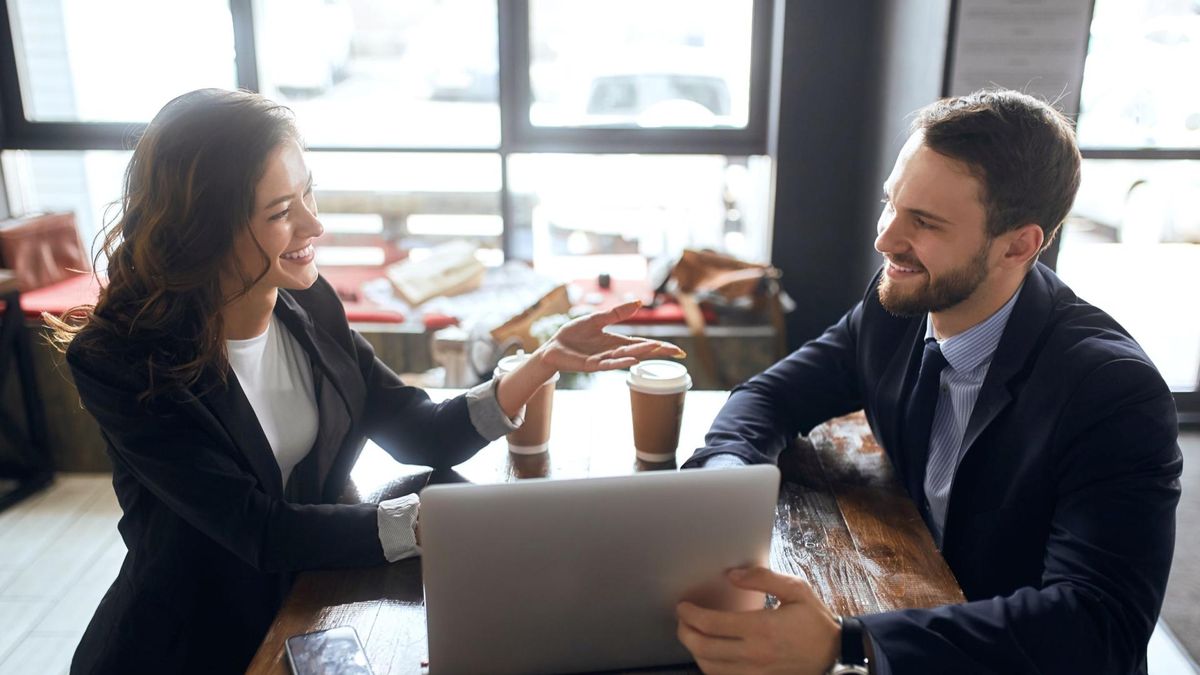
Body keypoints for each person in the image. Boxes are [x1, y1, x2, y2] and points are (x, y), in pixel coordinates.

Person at [51, 88, 683, 674]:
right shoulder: (123, 361)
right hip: (190, 644)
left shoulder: (309, 304)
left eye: (308, 194)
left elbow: (418, 431)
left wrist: (541, 362)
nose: (313, 225)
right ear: (205, 231)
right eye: (280, 212)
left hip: (311, 606)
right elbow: (260, 528)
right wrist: (425, 524)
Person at [674, 90, 1181, 674]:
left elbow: (1098, 625)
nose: (885, 239)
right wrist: (727, 483)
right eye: (892, 204)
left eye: (925, 223)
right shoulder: (899, 308)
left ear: (1019, 245)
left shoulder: (1112, 393)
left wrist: (848, 643)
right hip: (915, 593)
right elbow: (773, 394)